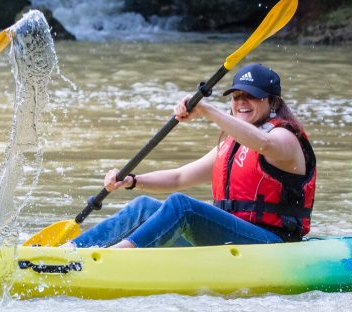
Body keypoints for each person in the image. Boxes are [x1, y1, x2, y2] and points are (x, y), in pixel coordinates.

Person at [72, 63, 316, 249]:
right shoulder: (232, 144)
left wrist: (207, 110)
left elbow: (262, 143)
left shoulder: (285, 138)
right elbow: (179, 177)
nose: (241, 102)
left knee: (183, 206)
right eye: (236, 96)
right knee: (143, 206)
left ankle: (117, 256)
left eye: (251, 96)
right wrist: (132, 180)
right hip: (229, 241)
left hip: (271, 243)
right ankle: (71, 251)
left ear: (272, 102)